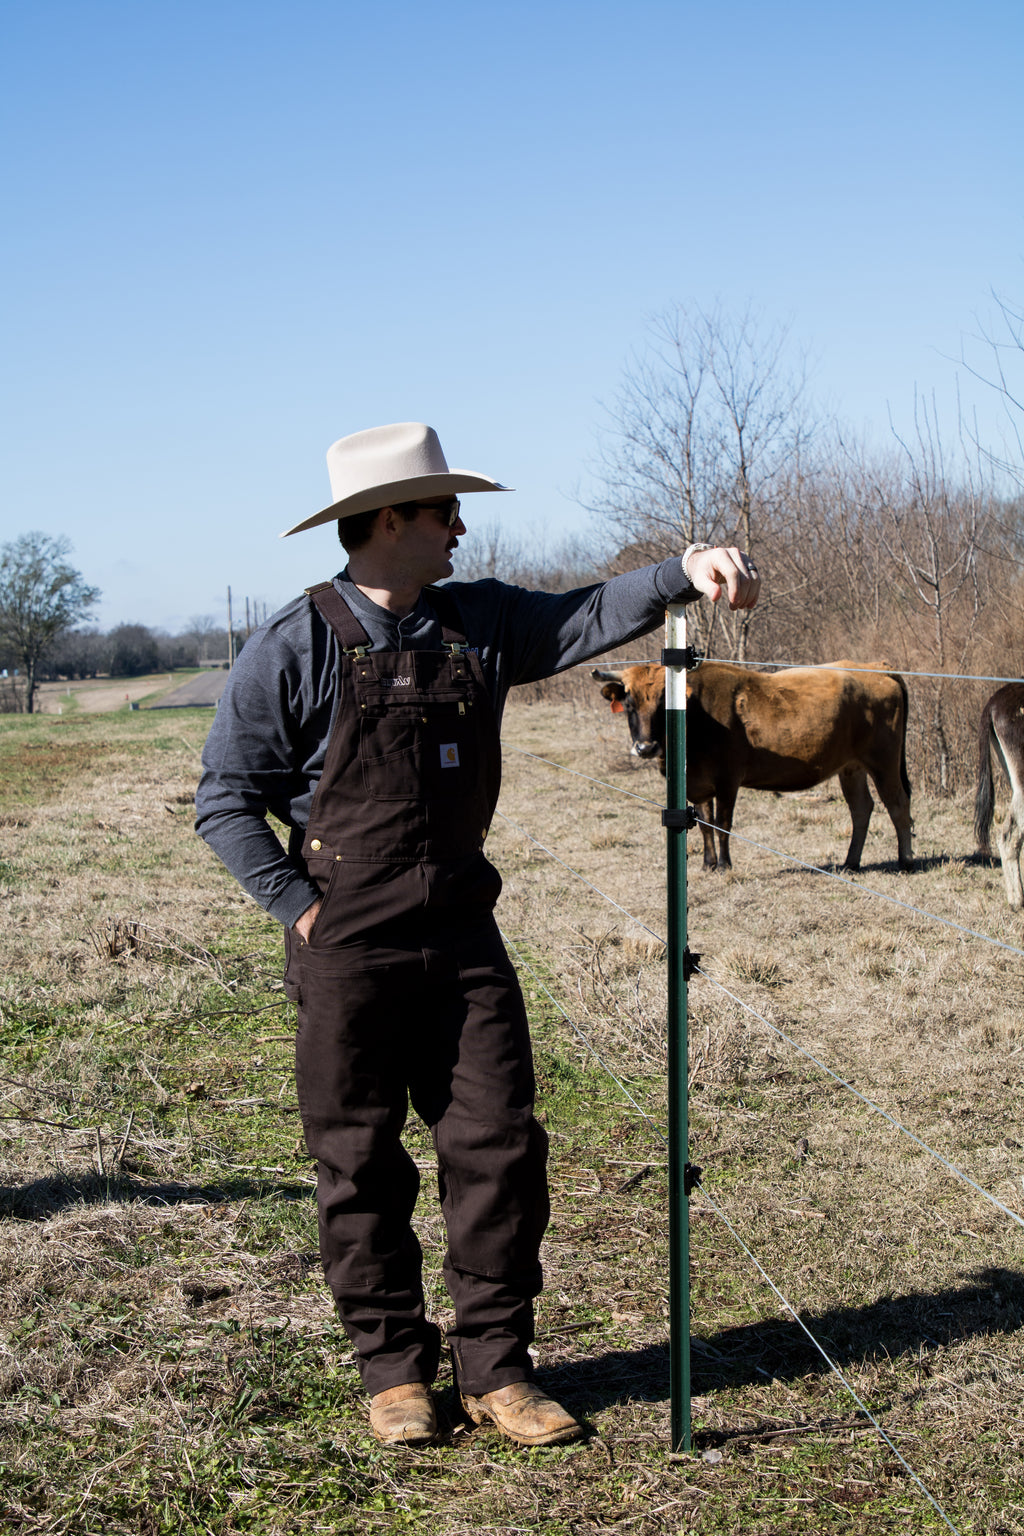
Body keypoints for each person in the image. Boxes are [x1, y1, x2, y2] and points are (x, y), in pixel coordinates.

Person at [195, 422, 760, 1449]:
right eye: (443, 511)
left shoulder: (482, 624)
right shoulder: (295, 642)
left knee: (498, 1147)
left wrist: (684, 569)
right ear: (388, 522)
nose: (460, 529)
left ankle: (498, 1370)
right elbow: (225, 798)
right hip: (345, 947)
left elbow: (592, 612)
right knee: (357, 1157)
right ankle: (395, 1373)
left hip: (463, 936)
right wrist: (300, 907)